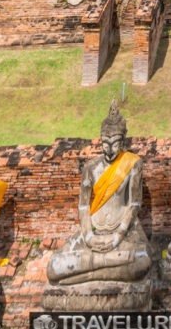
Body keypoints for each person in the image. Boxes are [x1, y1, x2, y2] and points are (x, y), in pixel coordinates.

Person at [47, 100, 150, 285]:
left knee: (142, 263)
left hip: (122, 229)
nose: (109, 149)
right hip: (93, 228)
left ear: (123, 140)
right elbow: (84, 206)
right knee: (53, 267)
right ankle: (103, 268)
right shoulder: (91, 167)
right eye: (104, 143)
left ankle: (85, 274)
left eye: (115, 143)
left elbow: (134, 204)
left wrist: (118, 236)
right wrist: (88, 236)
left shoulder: (133, 163)